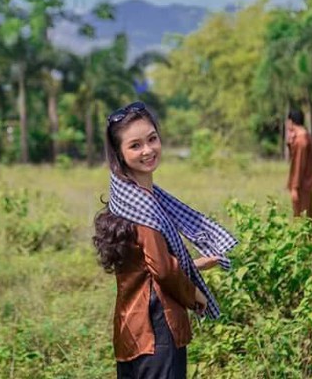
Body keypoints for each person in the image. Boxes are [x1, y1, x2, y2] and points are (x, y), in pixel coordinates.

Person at [92, 101, 238, 378]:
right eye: (135, 145)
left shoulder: (126, 199)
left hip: (131, 328)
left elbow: (146, 263)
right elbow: (162, 269)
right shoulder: (143, 207)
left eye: (152, 139)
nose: (147, 150)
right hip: (157, 326)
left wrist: (193, 264)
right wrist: (195, 295)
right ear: (120, 155)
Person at [286, 109, 312, 219]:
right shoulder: (305, 136)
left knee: (301, 219)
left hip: (302, 186)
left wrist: (294, 187)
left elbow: (298, 165)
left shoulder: (301, 141)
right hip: (305, 185)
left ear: (291, 121)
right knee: (306, 218)